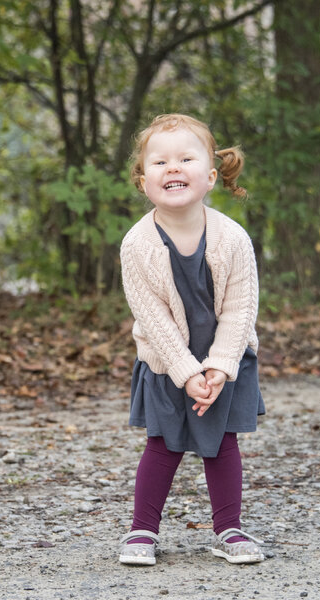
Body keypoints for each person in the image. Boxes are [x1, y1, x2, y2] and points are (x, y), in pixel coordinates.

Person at [119, 114, 265, 566]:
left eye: (186, 158)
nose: (173, 167)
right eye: (159, 161)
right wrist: (187, 373)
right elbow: (153, 319)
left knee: (222, 443)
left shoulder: (233, 239)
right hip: (167, 364)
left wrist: (220, 366)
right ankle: (142, 531)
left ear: (210, 177)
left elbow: (241, 309)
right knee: (162, 444)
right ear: (144, 182)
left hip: (225, 360)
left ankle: (229, 530)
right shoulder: (137, 245)